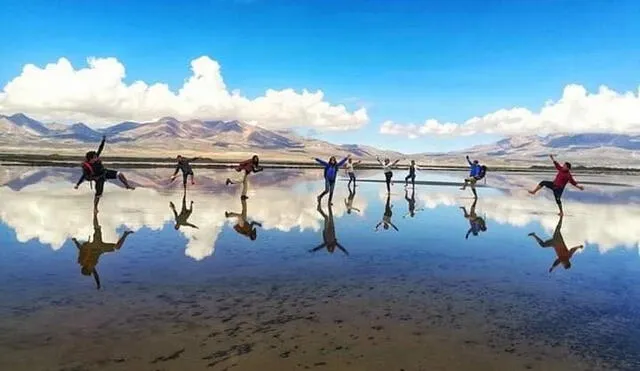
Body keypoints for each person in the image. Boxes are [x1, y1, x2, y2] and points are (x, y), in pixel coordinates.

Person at [72, 209, 133, 290]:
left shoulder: (83, 260)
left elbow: (80, 248)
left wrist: (75, 241)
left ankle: (95, 215)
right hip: (101, 250)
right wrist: (98, 285)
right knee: (117, 247)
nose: (92, 268)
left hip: (94, 245)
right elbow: (96, 275)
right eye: (91, 270)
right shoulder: (91, 267)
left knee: (97, 228)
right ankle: (125, 234)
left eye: (90, 269)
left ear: (86, 267)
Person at [74, 136, 135, 212]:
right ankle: (95, 208)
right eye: (95, 157)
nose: (97, 158)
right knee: (98, 194)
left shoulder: (96, 159)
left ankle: (127, 186)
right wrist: (78, 184)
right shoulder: (86, 167)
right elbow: (84, 176)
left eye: (96, 156)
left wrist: (103, 141)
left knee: (120, 174)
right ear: (91, 159)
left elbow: (100, 149)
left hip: (105, 173)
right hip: (99, 179)